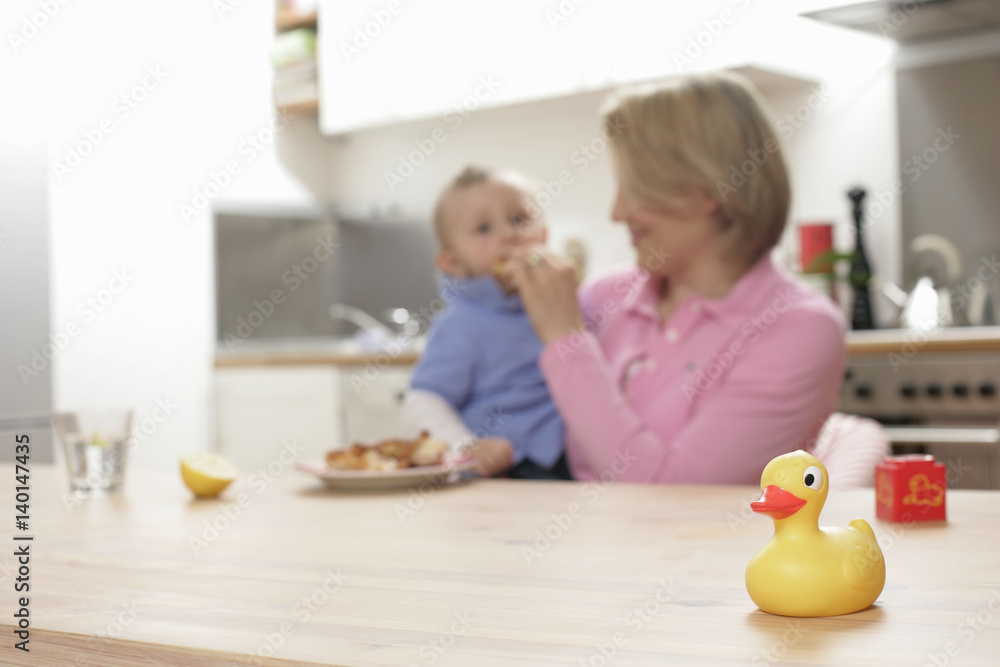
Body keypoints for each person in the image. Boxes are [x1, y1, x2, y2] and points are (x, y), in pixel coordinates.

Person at [503, 72, 846, 484]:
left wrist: (565, 338)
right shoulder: (604, 296)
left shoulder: (800, 329)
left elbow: (673, 493)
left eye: (632, 187)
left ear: (704, 189)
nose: (616, 212)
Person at [403, 166, 570, 480]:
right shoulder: (461, 325)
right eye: (484, 228)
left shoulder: (566, 306)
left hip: (572, 463)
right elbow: (423, 399)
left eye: (519, 219)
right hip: (509, 470)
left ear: (544, 235)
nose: (509, 234)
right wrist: (466, 446)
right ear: (452, 263)